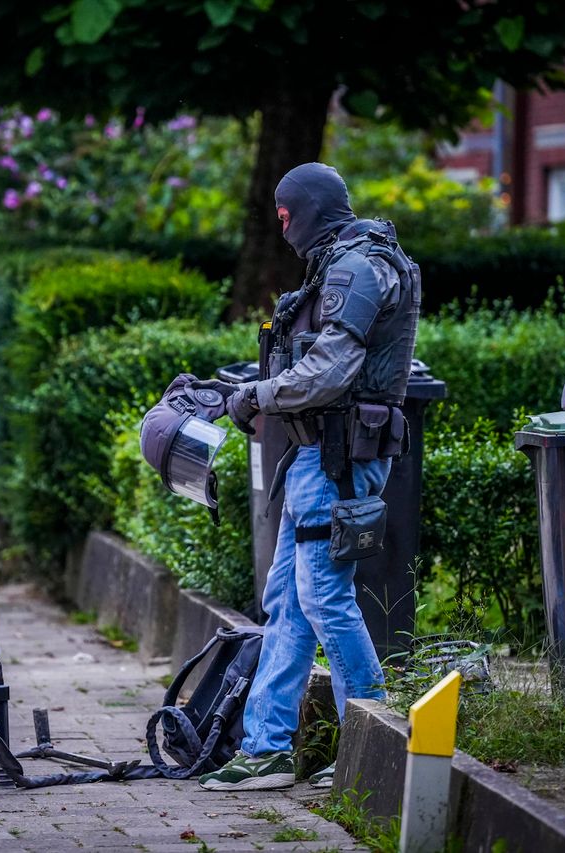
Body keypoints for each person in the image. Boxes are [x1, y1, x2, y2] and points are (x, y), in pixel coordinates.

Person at [194, 162, 420, 791]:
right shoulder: (340, 260)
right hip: (316, 455)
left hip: (339, 456)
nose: (282, 225)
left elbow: (330, 370)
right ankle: (265, 751)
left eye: (285, 214)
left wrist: (258, 395)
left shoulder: (357, 266)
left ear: (308, 209)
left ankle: (376, 748)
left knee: (323, 597)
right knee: (288, 604)